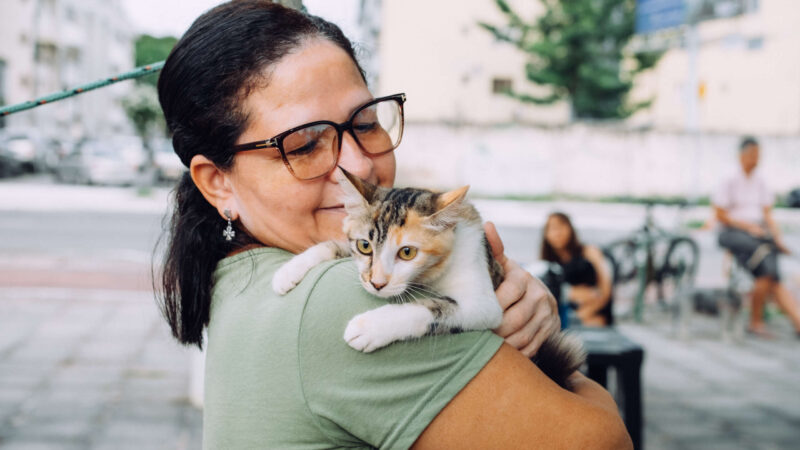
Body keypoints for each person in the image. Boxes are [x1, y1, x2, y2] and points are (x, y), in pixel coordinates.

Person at [156, 2, 631, 448]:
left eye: (365, 123)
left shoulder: (244, 277)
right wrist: (555, 360)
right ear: (217, 182)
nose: (359, 166)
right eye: (302, 146)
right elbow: (607, 440)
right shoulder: (338, 300)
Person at [713, 137, 800, 338]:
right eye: (752, 155)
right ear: (741, 155)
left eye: (758, 155)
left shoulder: (761, 180)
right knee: (768, 264)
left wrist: (777, 237)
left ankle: (790, 320)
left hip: (758, 236)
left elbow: (767, 214)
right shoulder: (729, 178)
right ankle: (760, 321)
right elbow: (720, 214)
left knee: (769, 274)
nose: (755, 159)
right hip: (732, 233)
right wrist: (748, 227)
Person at [540, 212, 614, 327]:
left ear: (570, 228)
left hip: (594, 313)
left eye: (561, 226)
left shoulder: (590, 251)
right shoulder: (547, 263)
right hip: (565, 315)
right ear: (546, 234)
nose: (557, 233)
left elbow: (606, 289)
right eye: (552, 228)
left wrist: (583, 313)